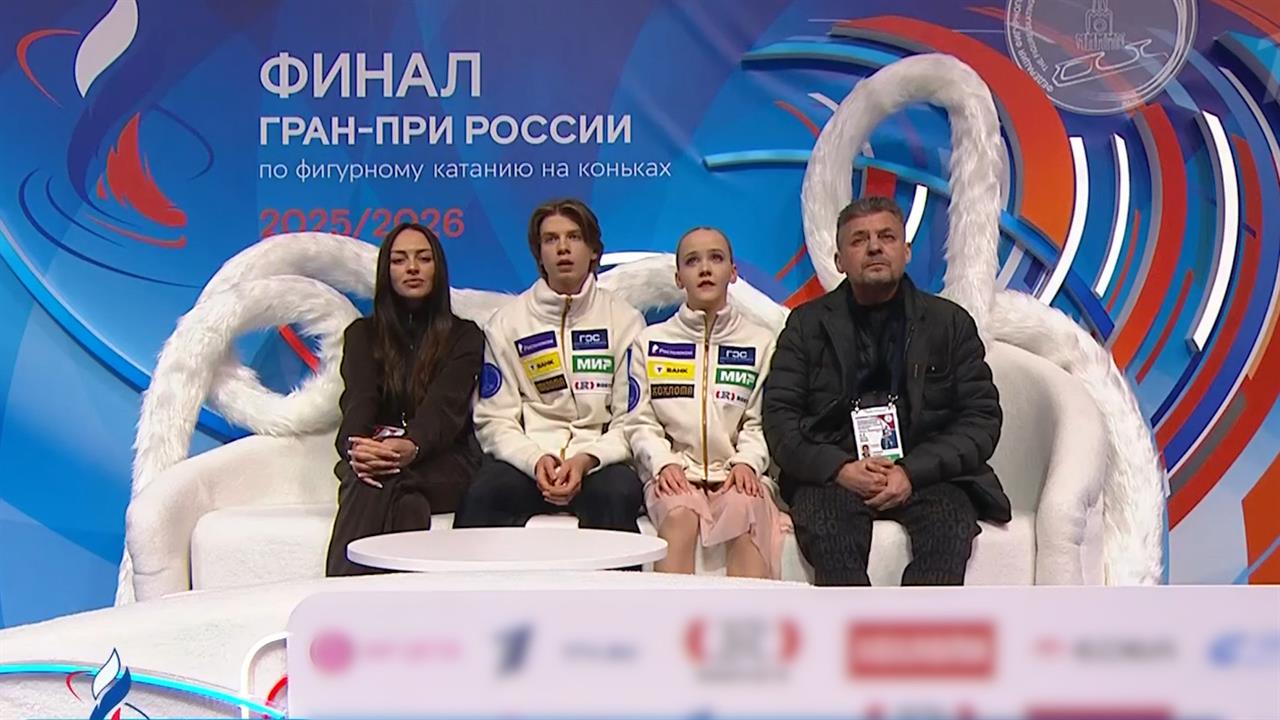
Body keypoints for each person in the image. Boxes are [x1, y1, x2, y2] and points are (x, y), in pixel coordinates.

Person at [762, 196, 1010, 586]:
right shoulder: (806, 326)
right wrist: (840, 469)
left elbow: (980, 421)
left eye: (887, 237)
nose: (875, 247)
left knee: (948, 530)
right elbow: (780, 421)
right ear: (839, 260)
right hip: (836, 477)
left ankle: (915, 628)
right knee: (829, 536)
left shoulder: (949, 323)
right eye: (859, 239)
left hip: (927, 474)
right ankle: (851, 625)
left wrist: (910, 472)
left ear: (906, 252)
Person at [454, 198, 646, 531]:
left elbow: (631, 417)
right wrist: (534, 460)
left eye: (574, 237)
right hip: (528, 461)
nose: (562, 248)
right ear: (539, 254)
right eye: (551, 239)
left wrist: (586, 460)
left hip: (597, 461)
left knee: (616, 494)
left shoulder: (626, 320)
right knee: (483, 496)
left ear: (593, 250)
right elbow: (493, 418)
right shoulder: (507, 323)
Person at [625, 228, 787, 578]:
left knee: (744, 510)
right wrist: (663, 464)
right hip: (674, 473)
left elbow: (760, 421)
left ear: (733, 272)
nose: (705, 269)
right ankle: (671, 614)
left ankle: (746, 615)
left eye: (716, 258)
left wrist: (747, 463)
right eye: (692, 261)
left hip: (737, 473)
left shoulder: (761, 343)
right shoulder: (649, 342)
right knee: (679, 515)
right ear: (678, 278)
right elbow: (640, 422)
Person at [326, 222, 484, 576]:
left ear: (438, 269)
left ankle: (338, 590)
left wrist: (411, 445)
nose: (412, 268)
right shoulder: (362, 335)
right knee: (404, 501)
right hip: (377, 456)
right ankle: (397, 598)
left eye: (423, 258)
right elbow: (359, 401)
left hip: (444, 461)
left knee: (385, 478)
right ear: (386, 271)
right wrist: (358, 447)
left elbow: (444, 408)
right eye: (399, 260)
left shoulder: (465, 336)